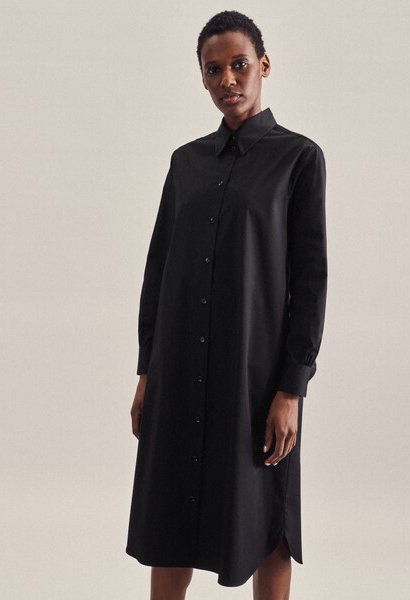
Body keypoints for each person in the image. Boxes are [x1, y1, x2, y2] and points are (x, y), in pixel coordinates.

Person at [126, 10, 327, 600]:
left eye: (239, 65)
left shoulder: (299, 159)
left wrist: (291, 389)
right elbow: (158, 271)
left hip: (254, 378)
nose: (227, 80)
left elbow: (310, 282)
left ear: (264, 65)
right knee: (170, 519)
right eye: (213, 70)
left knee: (268, 520)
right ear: (203, 78)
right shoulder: (185, 163)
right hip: (178, 370)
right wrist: (147, 372)